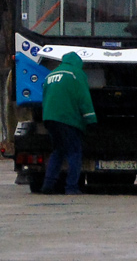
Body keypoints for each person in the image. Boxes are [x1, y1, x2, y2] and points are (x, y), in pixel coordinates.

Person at [40, 52, 97, 195]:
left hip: (49, 118)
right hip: (67, 119)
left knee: (58, 151)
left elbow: (45, 96)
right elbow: (83, 98)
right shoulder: (76, 74)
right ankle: (71, 187)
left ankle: (48, 185)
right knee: (74, 152)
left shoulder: (51, 75)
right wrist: (91, 119)